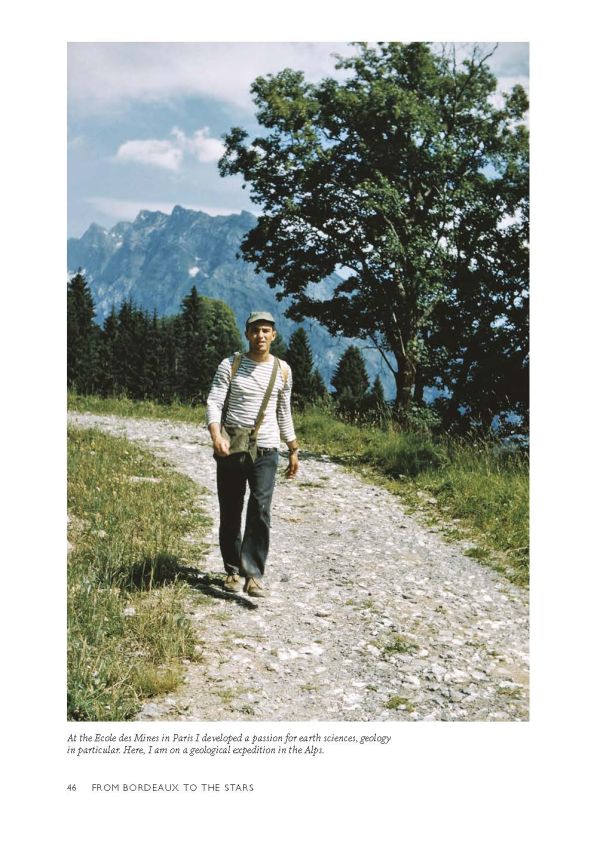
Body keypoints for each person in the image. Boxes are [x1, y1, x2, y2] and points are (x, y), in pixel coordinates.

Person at [206, 311, 299, 598]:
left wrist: (293, 449)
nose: (261, 335)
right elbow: (214, 401)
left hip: (267, 449)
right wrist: (216, 435)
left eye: (266, 331)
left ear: (274, 335)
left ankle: (254, 575)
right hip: (232, 447)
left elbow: (284, 412)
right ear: (247, 334)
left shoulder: (283, 370)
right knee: (231, 509)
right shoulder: (230, 365)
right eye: (256, 330)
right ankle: (233, 569)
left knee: (260, 509)